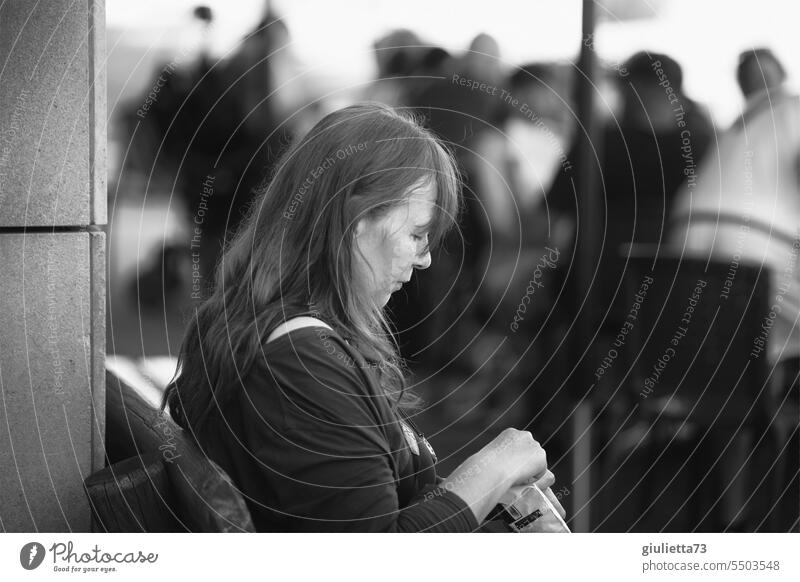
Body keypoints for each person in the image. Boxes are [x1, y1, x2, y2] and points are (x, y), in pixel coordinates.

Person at [163, 103, 563, 532]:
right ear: (354, 220)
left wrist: (485, 506)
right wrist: (493, 468)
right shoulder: (300, 368)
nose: (425, 258)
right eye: (416, 234)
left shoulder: (264, 329)